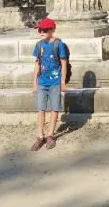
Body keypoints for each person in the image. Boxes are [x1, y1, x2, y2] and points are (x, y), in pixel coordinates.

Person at [31, 17, 69, 151]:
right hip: (42, 81)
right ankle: (39, 135)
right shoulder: (39, 45)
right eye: (39, 30)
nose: (41, 32)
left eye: (44, 30)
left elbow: (64, 64)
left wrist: (63, 82)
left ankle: (50, 135)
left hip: (55, 82)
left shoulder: (59, 44)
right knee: (40, 109)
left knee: (54, 109)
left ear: (52, 30)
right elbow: (37, 64)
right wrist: (34, 82)